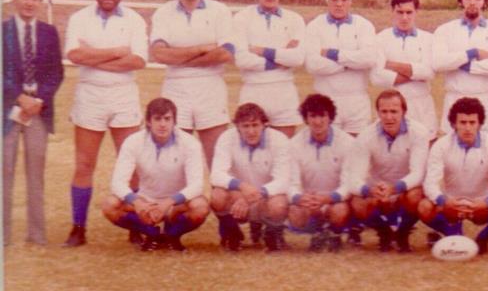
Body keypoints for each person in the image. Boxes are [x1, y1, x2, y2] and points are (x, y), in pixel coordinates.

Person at [63, 0, 149, 247]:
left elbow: (137, 60)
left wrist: (93, 57)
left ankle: (136, 226)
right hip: (90, 96)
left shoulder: (135, 20)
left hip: (123, 95)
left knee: (131, 164)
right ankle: (78, 228)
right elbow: (75, 55)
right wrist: (115, 52)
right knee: (84, 164)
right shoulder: (79, 18)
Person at [150, 0, 235, 164]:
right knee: (174, 160)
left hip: (211, 88)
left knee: (218, 161)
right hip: (176, 89)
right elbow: (159, 54)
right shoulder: (163, 12)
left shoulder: (219, 11)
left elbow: (226, 53)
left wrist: (178, 57)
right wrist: (202, 49)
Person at [3, 0, 65, 246]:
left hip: (38, 111)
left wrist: (38, 99)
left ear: (41, 2)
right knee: (4, 171)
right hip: (7, 110)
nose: (29, 3)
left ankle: (37, 235)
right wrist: (18, 97)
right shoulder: (2, 31)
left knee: (35, 172)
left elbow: (56, 73)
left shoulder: (49, 32)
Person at [100, 98, 209, 251]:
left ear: (174, 121)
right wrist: (138, 202)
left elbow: (196, 185)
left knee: (200, 206)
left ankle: (172, 236)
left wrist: (169, 202)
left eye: (167, 119)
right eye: (157, 119)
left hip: (176, 204)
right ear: (148, 121)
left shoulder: (190, 143)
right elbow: (117, 183)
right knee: (109, 205)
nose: (163, 124)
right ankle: (152, 234)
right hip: (146, 200)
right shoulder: (133, 142)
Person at [417, 97, 488, 254]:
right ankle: (452, 233)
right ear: (453, 124)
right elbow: (430, 184)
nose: (468, 128)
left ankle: (483, 238)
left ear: (480, 124)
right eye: (462, 122)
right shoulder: (441, 146)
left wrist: (486, 202)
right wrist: (445, 201)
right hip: (451, 204)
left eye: (472, 122)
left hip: (481, 204)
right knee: (424, 207)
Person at [352, 90, 432, 253]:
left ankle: (403, 233)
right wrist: (370, 190)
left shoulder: (419, 132)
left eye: (394, 111)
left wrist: (395, 188)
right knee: (357, 201)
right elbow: (354, 177)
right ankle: (384, 233)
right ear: (378, 112)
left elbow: (418, 173)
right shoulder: (365, 135)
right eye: (384, 111)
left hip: (405, 189)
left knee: (416, 195)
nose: (389, 117)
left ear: (404, 112)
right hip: (378, 191)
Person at [232, 0, 306, 137]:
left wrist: (260, 50)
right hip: (253, 91)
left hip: (284, 93)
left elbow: (297, 58)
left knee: (284, 149)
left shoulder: (295, 19)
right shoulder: (241, 18)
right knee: (251, 148)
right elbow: (242, 59)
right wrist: (281, 57)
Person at [210, 103, 291, 252]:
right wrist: (242, 186)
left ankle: (272, 235)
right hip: (239, 197)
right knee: (217, 195)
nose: (251, 131)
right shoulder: (226, 138)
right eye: (245, 126)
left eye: (255, 125)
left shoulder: (279, 140)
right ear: (237, 126)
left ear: (264, 125)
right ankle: (232, 234)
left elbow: (283, 181)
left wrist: (254, 194)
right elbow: (216, 175)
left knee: (279, 204)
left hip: (266, 199)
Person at [432, 0, 488, 138]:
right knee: (453, 150)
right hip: (455, 98)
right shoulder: (445, 30)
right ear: (460, 1)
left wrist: (459, 63)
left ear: (485, 2)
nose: (472, 2)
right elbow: (439, 63)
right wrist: (472, 53)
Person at [304, 0, 377, 135]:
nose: (339, 4)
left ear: (350, 0)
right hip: (325, 101)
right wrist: (351, 63)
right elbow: (313, 64)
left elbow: (369, 59)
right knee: (328, 148)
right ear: (327, 0)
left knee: (358, 148)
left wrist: (332, 54)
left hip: (357, 102)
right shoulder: (314, 26)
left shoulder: (364, 26)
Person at [287, 94, 359, 252]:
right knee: (294, 214)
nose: (317, 121)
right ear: (306, 119)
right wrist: (301, 198)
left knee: (340, 211)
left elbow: (349, 184)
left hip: (336, 201)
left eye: (322, 116)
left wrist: (329, 198)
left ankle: (335, 232)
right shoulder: (294, 144)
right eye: (313, 116)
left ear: (330, 117)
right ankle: (318, 233)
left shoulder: (348, 143)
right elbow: (291, 183)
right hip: (309, 201)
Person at [370, 0, 437, 133]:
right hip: (391, 108)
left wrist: (391, 65)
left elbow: (429, 72)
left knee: (425, 144)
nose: (404, 17)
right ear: (392, 11)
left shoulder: (429, 39)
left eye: (409, 12)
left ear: (416, 12)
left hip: (422, 106)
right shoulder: (380, 39)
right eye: (400, 12)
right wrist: (415, 74)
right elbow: (376, 77)